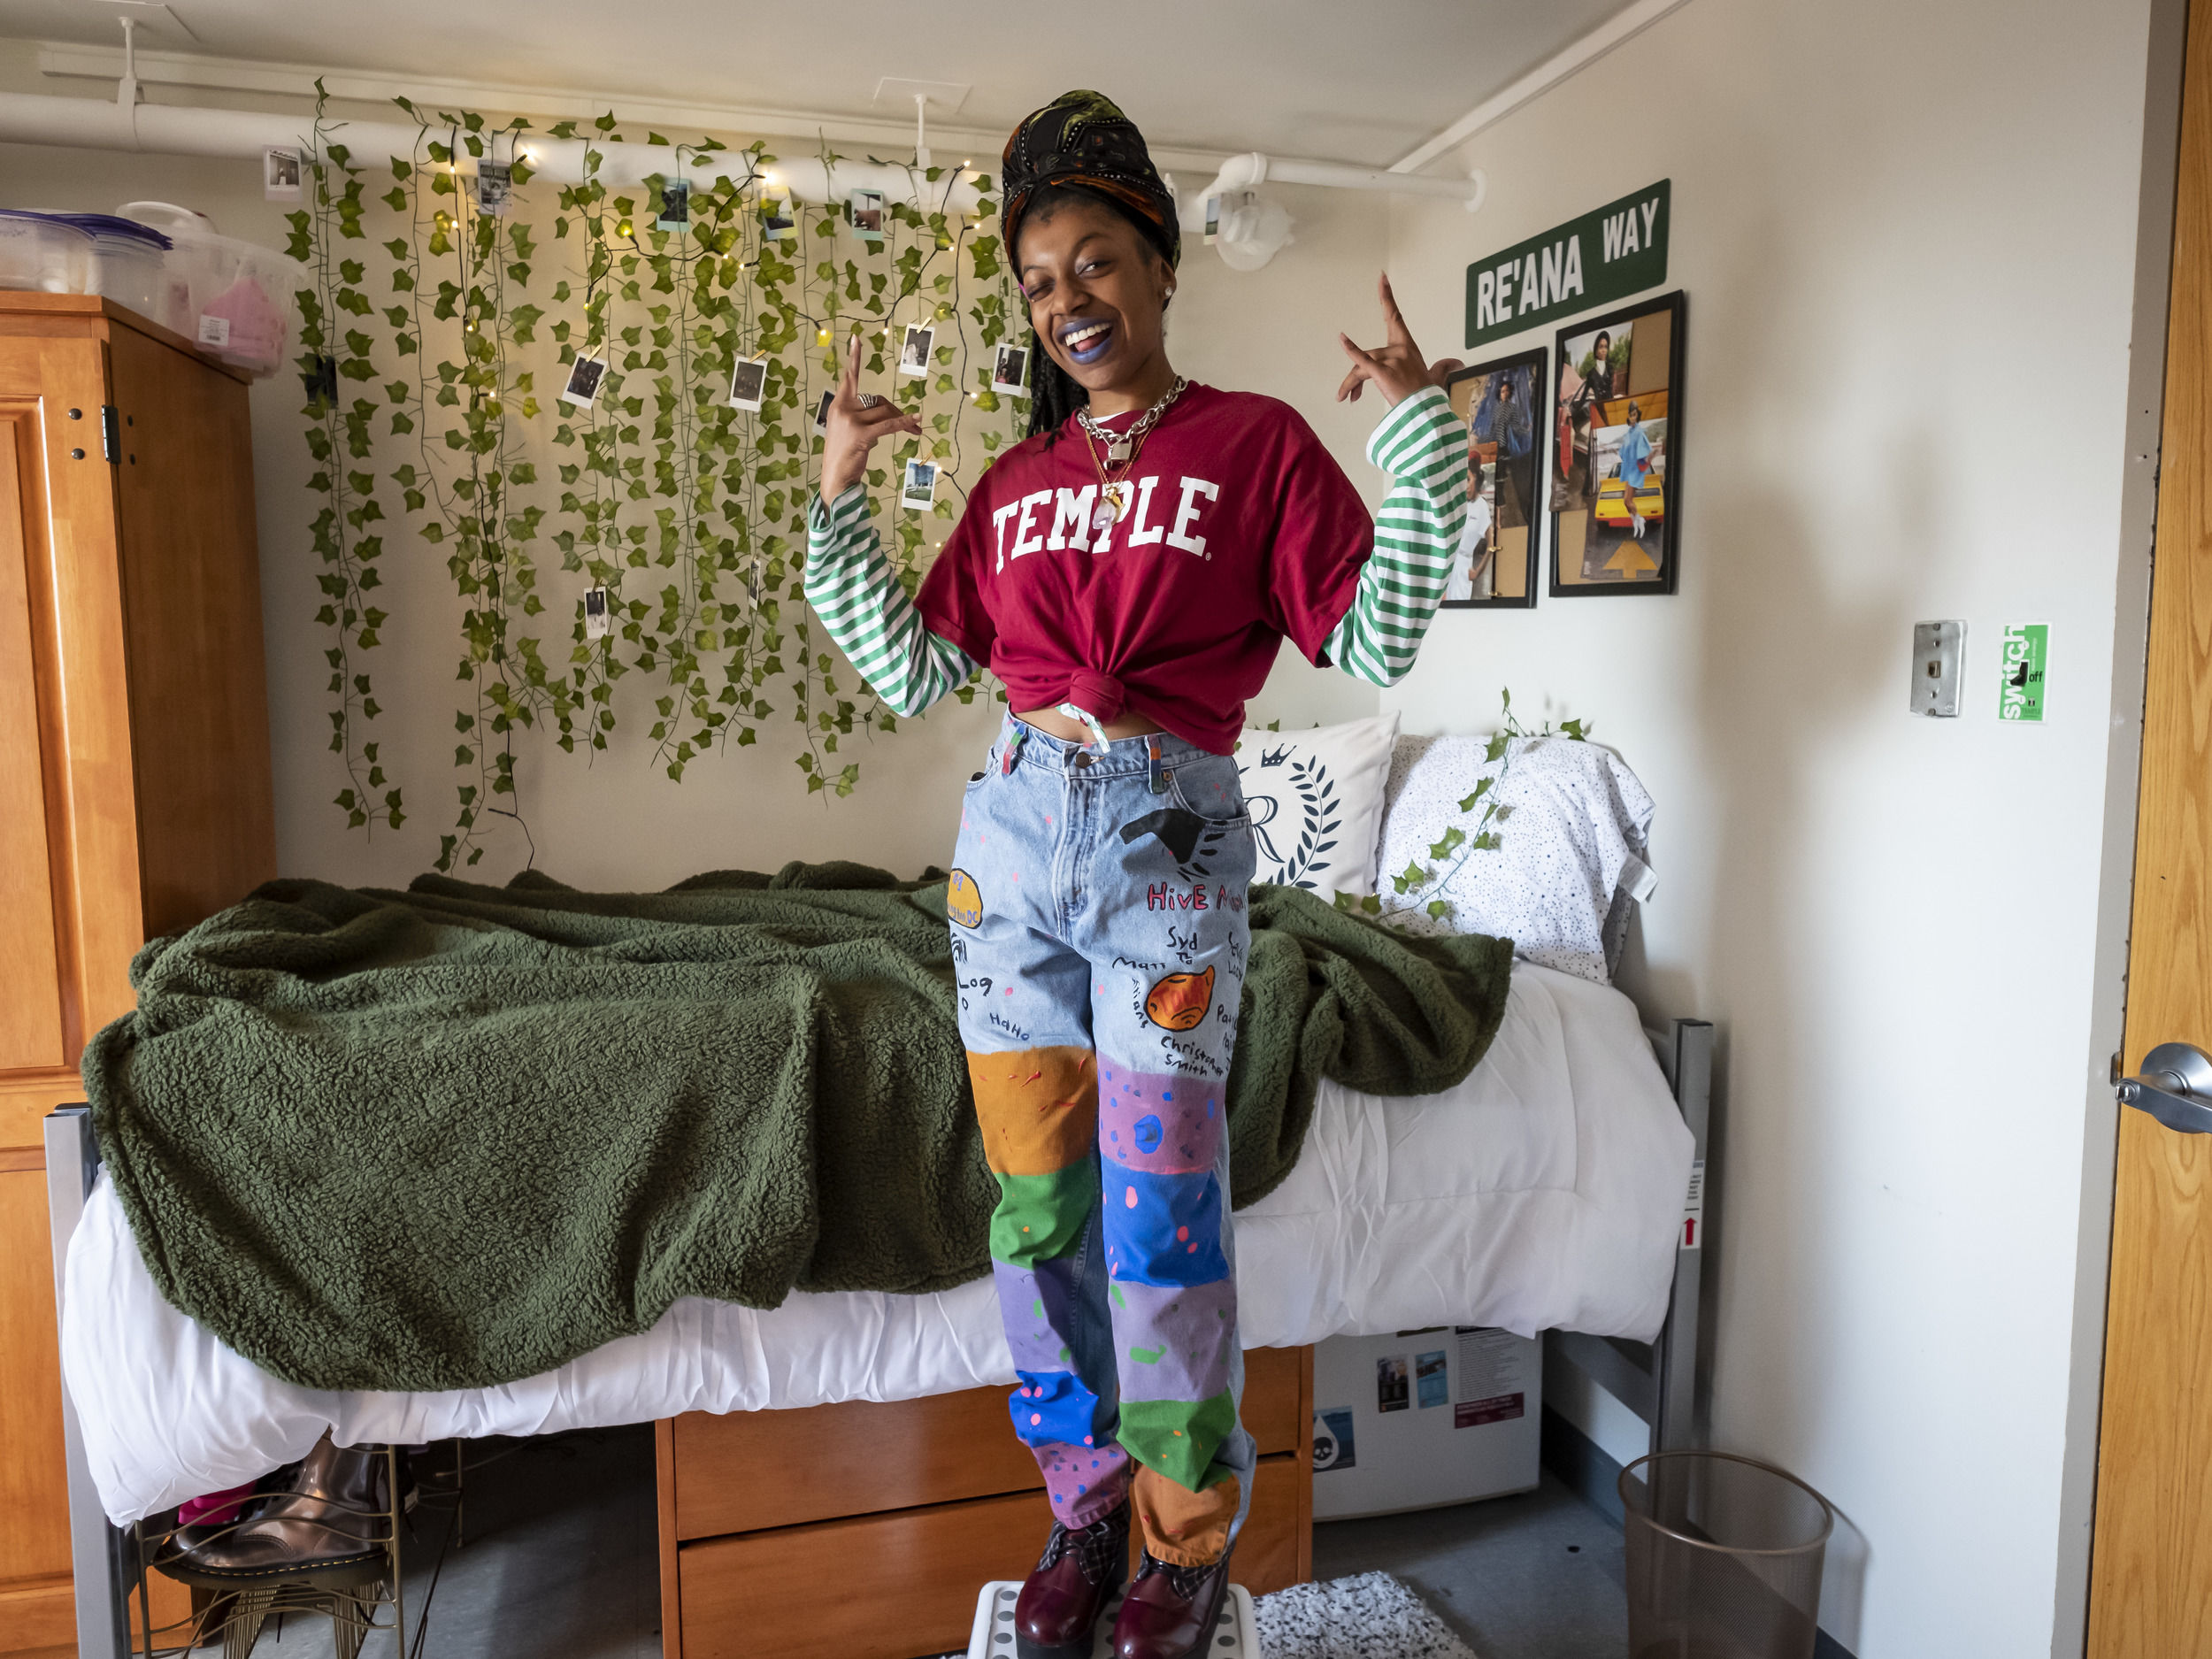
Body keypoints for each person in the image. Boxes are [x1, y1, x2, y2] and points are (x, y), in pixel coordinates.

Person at [802, 89, 1468, 1659]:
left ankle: (1182, 1545)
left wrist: (1420, 436)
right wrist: (839, 494)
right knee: (1033, 1214)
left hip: (1171, 853)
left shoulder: (1257, 446)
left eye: (1097, 262)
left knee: (1162, 1222)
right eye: (1040, 282)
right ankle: (1084, 1508)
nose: (1070, 301)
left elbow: (1372, 639)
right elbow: (909, 671)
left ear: (1161, 270)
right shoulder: (1017, 483)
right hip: (1011, 853)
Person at [1616, 402, 1655, 540]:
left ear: (1637, 417)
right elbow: (1623, 452)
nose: (1632, 417)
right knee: (1625, 502)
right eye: (1631, 415)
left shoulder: (1639, 432)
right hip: (1629, 470)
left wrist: (1648, 459)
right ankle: (1636, 522)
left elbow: (1648, 451)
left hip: (1635, 471)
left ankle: (1639, 520)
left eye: (1634, 415)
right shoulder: (1628, 434)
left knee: (1628, 500)